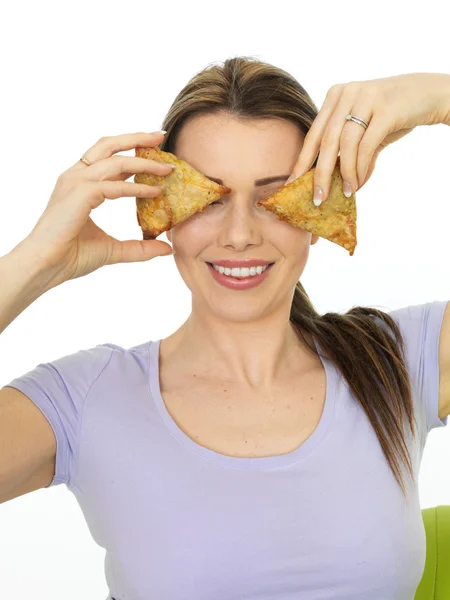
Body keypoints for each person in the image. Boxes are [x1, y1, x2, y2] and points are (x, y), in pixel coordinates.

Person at [0, 57, 449, 600]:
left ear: (320, 205)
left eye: (273, 195)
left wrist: (436, 97)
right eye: (209, 197)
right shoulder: (85, 399)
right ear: (162, 204)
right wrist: (33, 262)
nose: (239, 234)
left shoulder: (396, 361)